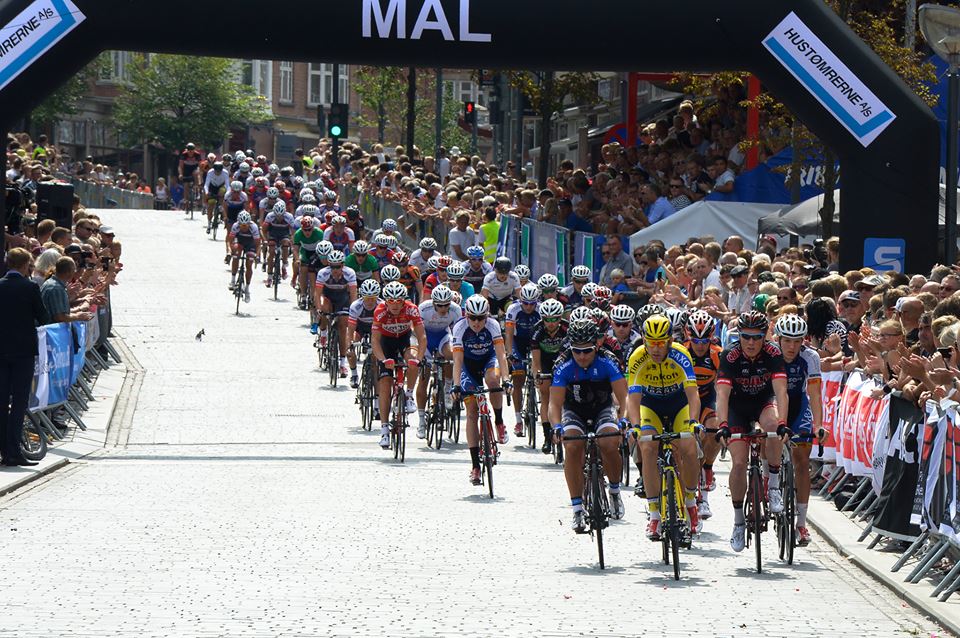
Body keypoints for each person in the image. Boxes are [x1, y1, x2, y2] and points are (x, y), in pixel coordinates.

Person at [715, 311, 790, 553]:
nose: (750, 342)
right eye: (745, 336)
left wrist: (783, 422)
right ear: (739, 336)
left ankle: (774, 486)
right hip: (736, 408)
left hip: (762, 403)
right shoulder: (730, 355)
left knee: (773, 428)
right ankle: (738, 521)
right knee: (739, 463)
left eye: (756, 337)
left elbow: (781, 391)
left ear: (764, 336)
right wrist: (723, 425)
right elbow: (722, 395)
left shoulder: (773, 353)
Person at [627, 315, 702, 540]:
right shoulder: (637, 357)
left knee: (689, 448)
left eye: (661, 343)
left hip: (679, 404)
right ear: (644, 340)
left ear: (670, 341)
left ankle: (691, 502)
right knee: (647, 448)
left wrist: (694, 422)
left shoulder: (681, 354)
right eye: (651, 343)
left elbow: (693, 394)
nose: (656, 349)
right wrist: (635, 426)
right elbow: (633, 398)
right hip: (650, 406)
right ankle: (654, 516)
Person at [550, 321, 628, 533]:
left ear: (596, 346)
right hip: (574, 410)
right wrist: (556, 426)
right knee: (572, 446)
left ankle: (614, 491)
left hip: (602, 408)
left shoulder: (608, 362)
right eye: (577, 351)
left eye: (587, 351)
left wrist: (624, 420)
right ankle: (577, 509)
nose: (582, 356)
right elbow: (554, 404)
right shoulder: (563, 364)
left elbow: (624, 397)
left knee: (609, 443)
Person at [775, 314, 823, 547]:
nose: (792, 347)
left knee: (802, 460)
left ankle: (801, 524)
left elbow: (814, 393)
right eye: (787, 341)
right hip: (773, 401)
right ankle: (769, 484)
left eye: (797, 341)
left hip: (799, 404)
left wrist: (819, 425)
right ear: (778, 339)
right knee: (768, 439)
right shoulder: (770, 354)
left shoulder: (811, 357)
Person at [452, 295, 512, 485]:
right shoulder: (460, 328)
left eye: (481, 318)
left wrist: (506, 379)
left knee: (493, 379)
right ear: (466, 316)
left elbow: (501, 356)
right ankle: (475, 466)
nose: (477, 322)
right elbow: (457, 361)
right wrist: (456, 385)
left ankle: (499, 422)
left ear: (487, 316)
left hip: (488, 360)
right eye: (473, 318)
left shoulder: (493, 326)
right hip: (467, 366)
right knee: (472, 413)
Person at [0, 248, 50, 466]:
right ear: (25, 265)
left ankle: (4, 450)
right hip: (23, 352)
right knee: (19, 402)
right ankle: (13, 451)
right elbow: (43, 316)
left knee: (2, 401)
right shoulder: (29, 287)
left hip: (1, 351)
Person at [372, 281, 427, 449]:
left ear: (404, 301)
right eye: (391, 301)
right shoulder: (380, 311)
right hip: (386, 342)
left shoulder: (411, 309)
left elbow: (422, 337)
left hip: (404, 339)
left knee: (412, 359)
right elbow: (375, 340)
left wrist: (419, 359)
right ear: (386, 301)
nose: (395, 305)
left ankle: (409, 395)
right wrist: (383, 360)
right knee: (385, 384)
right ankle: (384, 430)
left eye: (398, 301)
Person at [414, 284, 462, 437]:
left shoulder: (455, 310)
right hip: (425, 338)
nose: (443, 308)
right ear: (433, 302)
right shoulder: (423, 309)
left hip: (443, 336)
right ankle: (421, 421)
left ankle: (447, 389)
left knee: (451, 355)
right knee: (424, 379)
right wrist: (421, 353)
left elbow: (458, 333)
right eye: (439, 305)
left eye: (446, 305)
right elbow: (415, 330)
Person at [504, 283, 541, 435]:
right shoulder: (513, 309)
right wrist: (509, 353)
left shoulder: (541, 309)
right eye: (525, 303)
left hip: (536, 342)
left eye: (532, 304)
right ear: (521, 301)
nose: (529, 307)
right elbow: (508, 335)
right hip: (518, 342)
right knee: (518, 379)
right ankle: (518, 420)